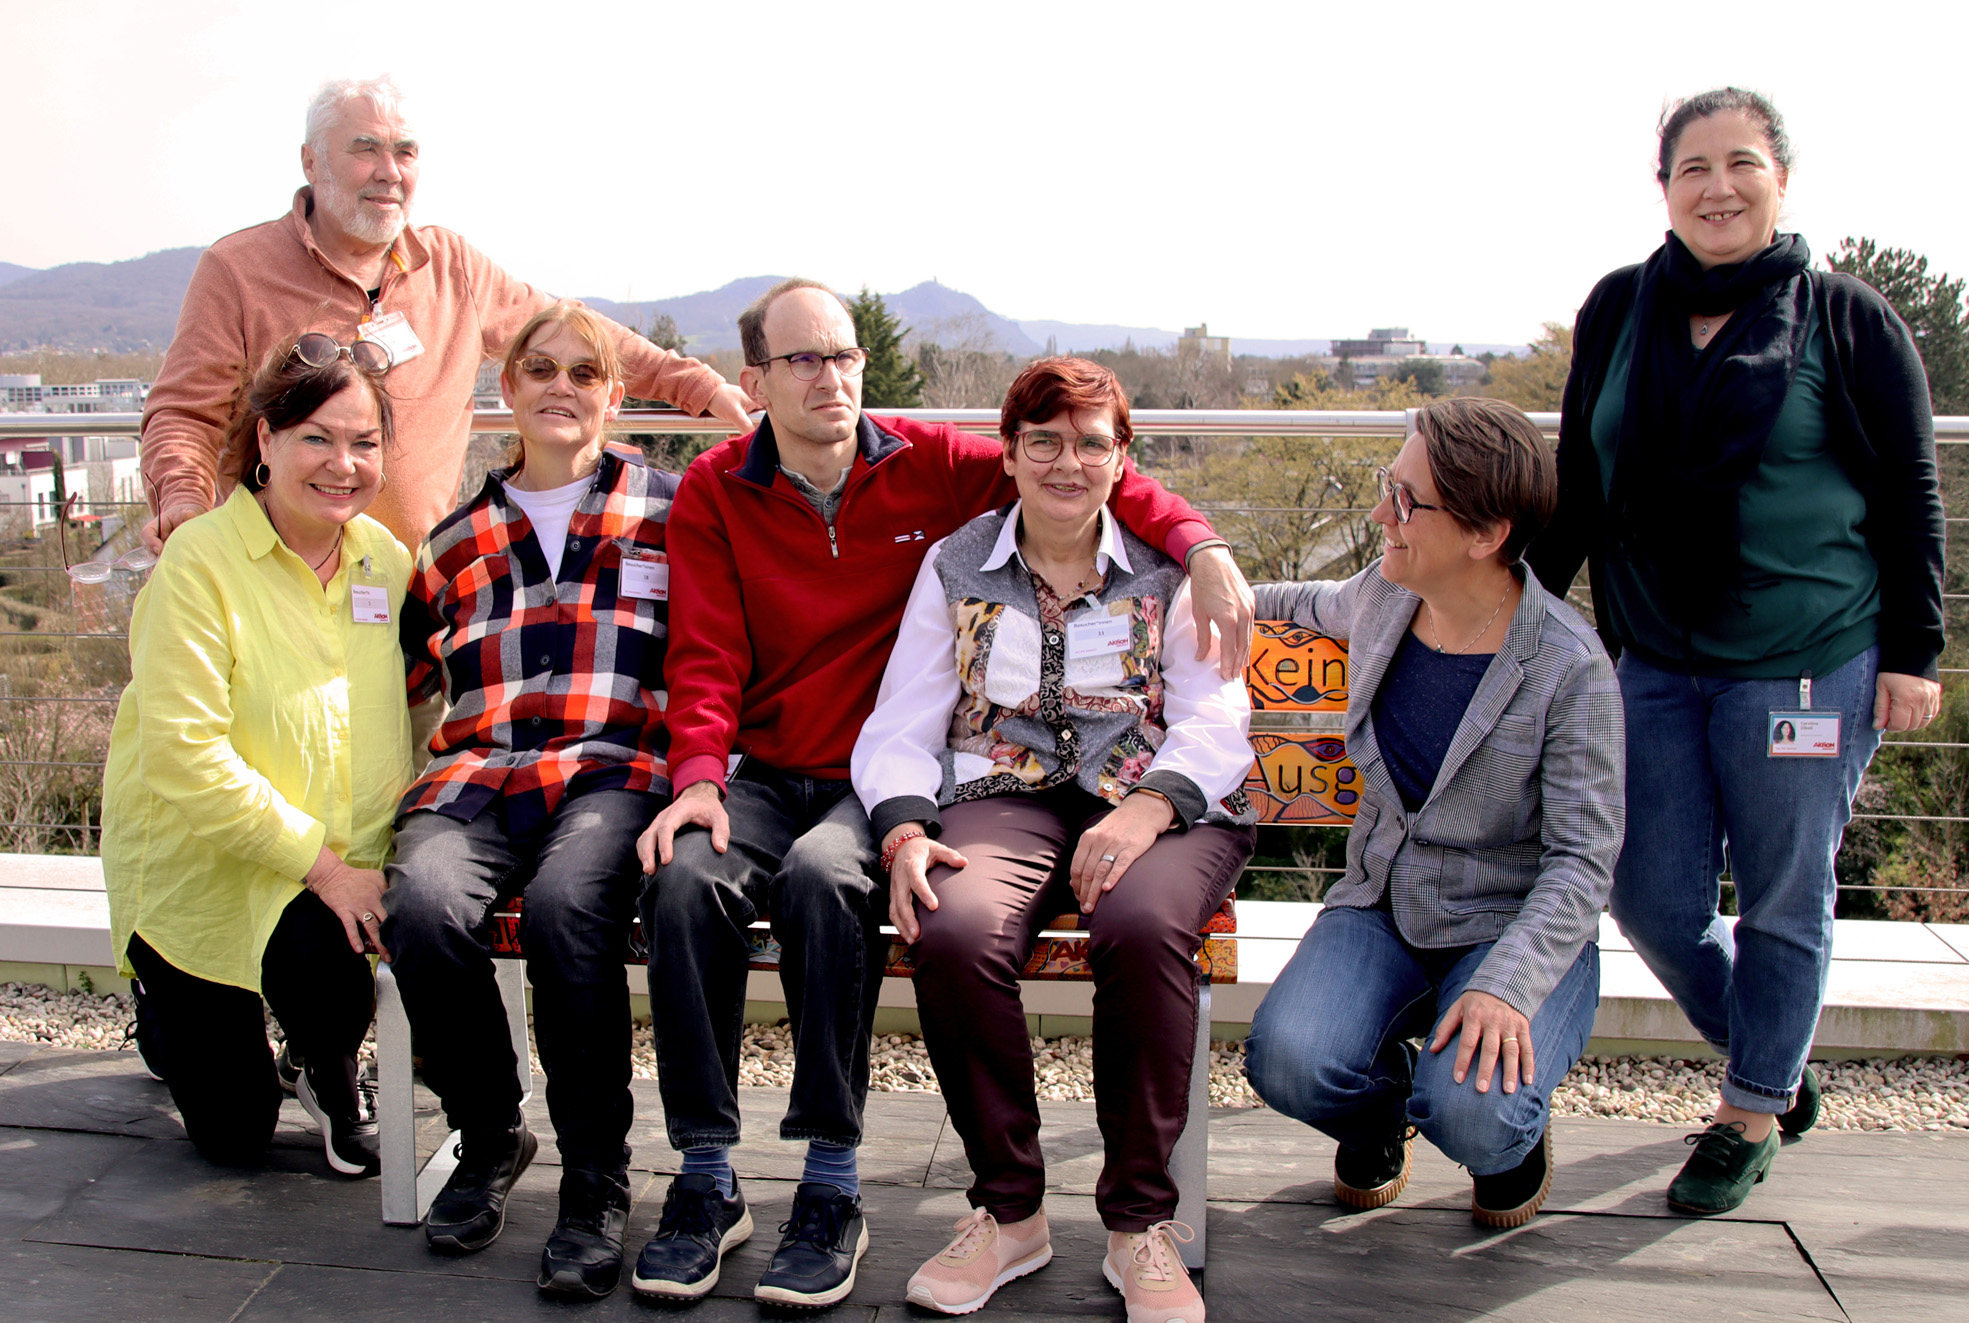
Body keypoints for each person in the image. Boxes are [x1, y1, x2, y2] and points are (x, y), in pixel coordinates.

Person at [627, 280, 1254, 1310]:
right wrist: (717, 782)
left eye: (843, 355)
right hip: (893, 780)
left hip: (1083, 796)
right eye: (802, 360)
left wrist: (1201, 543)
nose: (830, 376)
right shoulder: (739, 497)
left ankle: (1105, 1217)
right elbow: (720, 661)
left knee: (1094, 923)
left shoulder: (951, 473)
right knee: (790, 901)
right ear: (756, 380)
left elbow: (1096, 486)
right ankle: (743, 1179)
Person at [1527, 88, 1947, 1216]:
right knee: (1648, 894)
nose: (1717, 186)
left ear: (1780, 180)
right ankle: (1775, 1046)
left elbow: (1910, 493)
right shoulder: (1621, 309)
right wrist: (1516, 611)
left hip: (1808, 656)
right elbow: (1582, 480)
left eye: (1741, 163)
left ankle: (1752, 1102)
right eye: (1692, 168)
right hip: (1653, 653)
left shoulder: (1845, 318)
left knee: (1782, 894)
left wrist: (1916, 650)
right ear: (1661, 188)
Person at [852, 357, 1256, 1321]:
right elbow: (903, 717)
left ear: (1123, 460)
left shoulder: (1171, 570)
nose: (1065, 462)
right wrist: (905, 827)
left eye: (1089, 443)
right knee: (948, 925)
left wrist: (1148, 806)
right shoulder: (956, 562)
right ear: (1008, 452)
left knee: (1143, 926)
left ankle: (1136, 1223)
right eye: (1042, 440)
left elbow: (1216, 717)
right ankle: (1010, 1209)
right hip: (1006, 791)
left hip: (1160, 800)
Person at [1244, 398, 1623, 1231]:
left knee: (1475, 1114)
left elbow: (1581, 862)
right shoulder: (1382, 596)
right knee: (1287, 1063)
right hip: (1379, 906)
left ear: (1486, 534)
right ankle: (1381, 1115)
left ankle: (1508, 1141)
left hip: (1506, 923)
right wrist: (1189, 584)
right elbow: (1297, 601)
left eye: (1406, 500)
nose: (1381, 512)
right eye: (1389, 486)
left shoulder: (1568, 667)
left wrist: (1508, 985)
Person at [138, 75, 750, 556]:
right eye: (364, 150)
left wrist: (694, 384)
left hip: (411, 592)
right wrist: (185, 505)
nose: (389, 172)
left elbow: (575, 334)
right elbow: (183, 412)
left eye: (405, 152)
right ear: (309, 162)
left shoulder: (452, 265)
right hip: (273, 577)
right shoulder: (239, 269)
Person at [384, 304, 675, 1298]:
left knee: (565, 911)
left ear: (612, 394)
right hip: (480, 773)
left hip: (613, 774)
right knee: (421, 902)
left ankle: (596, 1180)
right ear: (506, 389)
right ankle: (490, 1132)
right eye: (539, 369)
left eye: (584, 374)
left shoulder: (673, 514)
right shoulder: (453, 540)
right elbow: (412, 671)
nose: (561, 388)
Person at [102, 333, 411, 1177]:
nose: (342, 463)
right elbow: (184, 755)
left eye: (365, 442)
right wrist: (323, 867)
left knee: (335, 981)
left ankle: (325, 1060)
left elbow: (422, 704)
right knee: (234, 1139)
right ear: (266, 440)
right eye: (317, 436)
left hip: (332, 864)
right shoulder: (198, 563)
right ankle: (161, 1000)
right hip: (207, 866)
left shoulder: (386, 561)